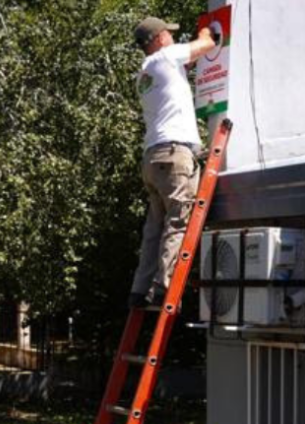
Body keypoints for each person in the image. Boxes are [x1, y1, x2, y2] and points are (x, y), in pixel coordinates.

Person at [129, 17, 216, 309]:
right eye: (168, 33)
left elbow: (183, 67)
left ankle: (139, 290)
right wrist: (207, 30)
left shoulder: (143, 75)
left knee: (154, 226)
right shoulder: (167, 56)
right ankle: (164, 288)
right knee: (177, 222)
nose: (171, 37)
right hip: (173, 153)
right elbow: (208, 44)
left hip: (152, 159)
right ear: (159, 38)